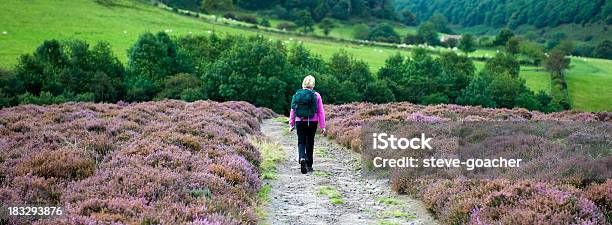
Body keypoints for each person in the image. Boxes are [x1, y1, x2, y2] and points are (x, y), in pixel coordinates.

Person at [289, 75, 326, 174]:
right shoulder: (317, 95)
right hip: (312, 121)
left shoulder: (297, 94)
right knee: (310, 142)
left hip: (299, 121)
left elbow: (293, 110)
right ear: (313, 84)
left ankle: (302, 158)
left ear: (303, 83)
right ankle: (309, 165)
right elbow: (320, 111)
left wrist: (291, 123)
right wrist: (323, 126)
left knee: (301, 142)